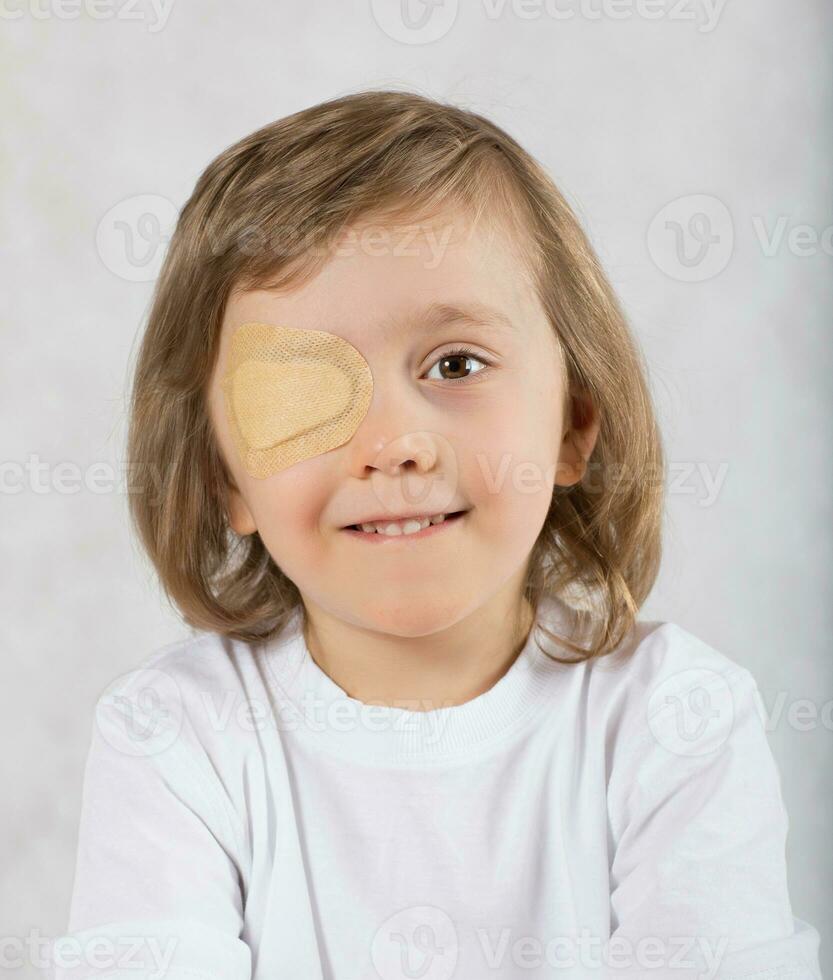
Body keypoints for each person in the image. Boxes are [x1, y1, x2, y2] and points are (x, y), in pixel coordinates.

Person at [51, 89, 822, 979]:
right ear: (227, 476)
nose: (393, 446)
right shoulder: (177, 734)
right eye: (303, 389)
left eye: (456, 364)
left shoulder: (671, 720)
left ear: (572, 424)